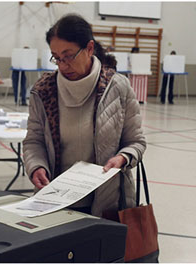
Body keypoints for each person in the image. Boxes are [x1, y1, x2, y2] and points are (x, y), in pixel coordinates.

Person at [23, 14, 146, 217]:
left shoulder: (117, 87)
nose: (62, 65)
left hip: (108, 201)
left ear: (89, 48)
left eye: (69, 56)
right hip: (56, 201)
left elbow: (136, 142)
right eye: (56, 57)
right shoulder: (43, 91)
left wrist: (123, 158)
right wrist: (36, 167)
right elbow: (33, 141)